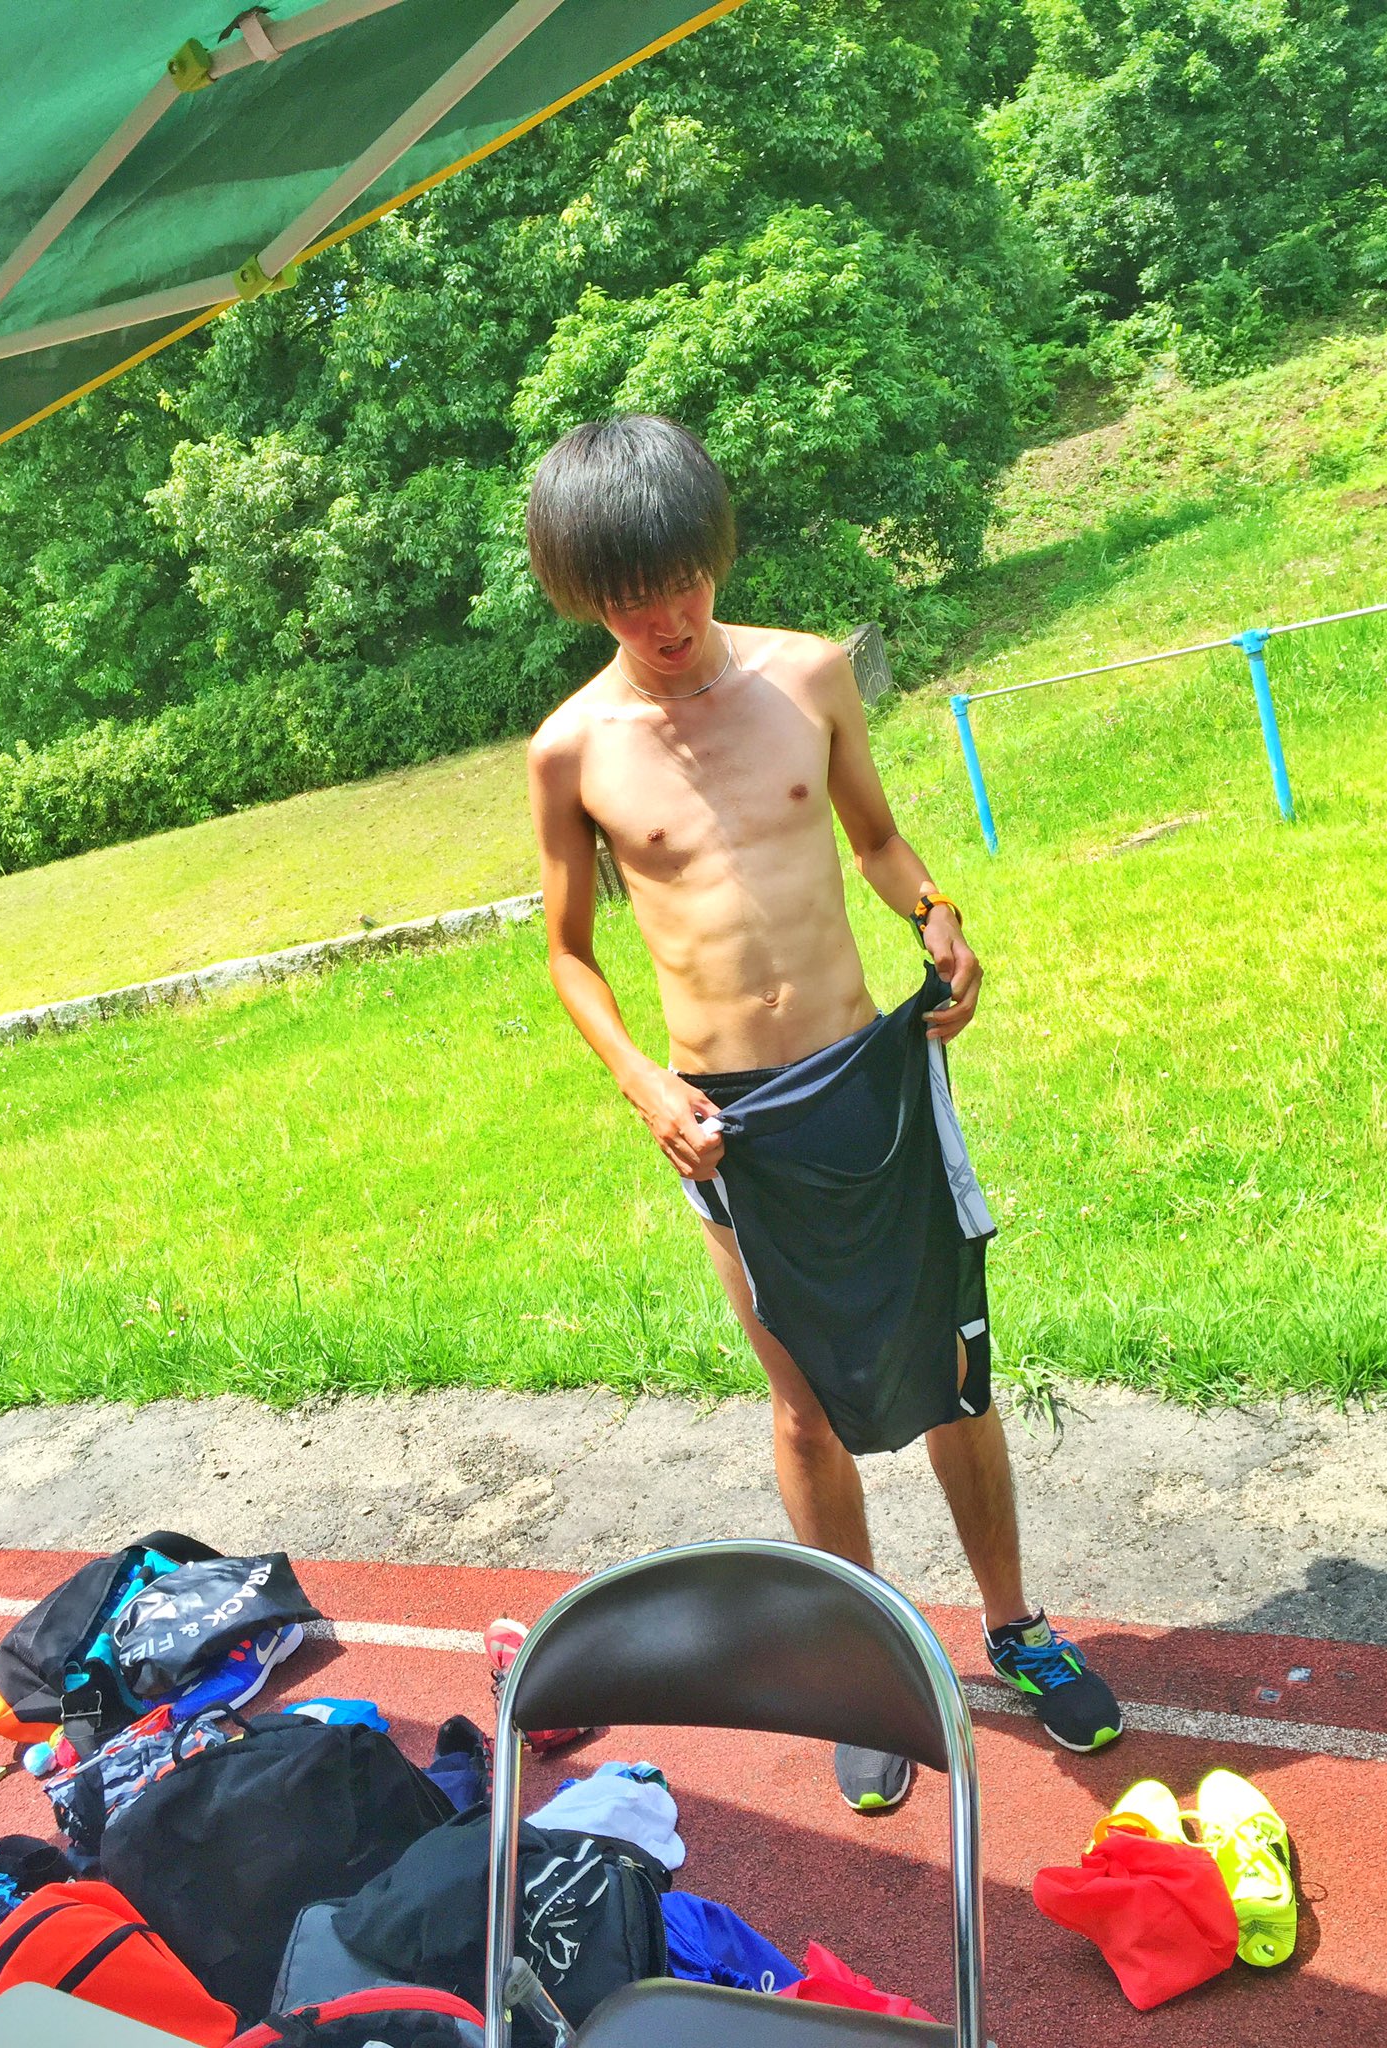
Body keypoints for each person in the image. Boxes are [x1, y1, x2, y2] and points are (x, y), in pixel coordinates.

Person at [525, 414, 1122, 1807]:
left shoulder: (809, 672)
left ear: (714, 553)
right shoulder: (571, 751)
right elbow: (566, 953)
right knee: (801, 1405)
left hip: (870, 1073)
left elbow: (878, 838)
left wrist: (938, 913)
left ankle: (1017, 1630)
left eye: (680, 579)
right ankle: (869, 1668)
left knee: (953, 1363)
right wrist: (645, 1083)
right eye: (628, 598)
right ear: (583, 597)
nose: (665, 618)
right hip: (729, 1121)